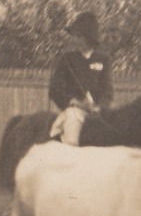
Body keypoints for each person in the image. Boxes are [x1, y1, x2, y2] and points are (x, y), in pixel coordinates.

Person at [48, 12, 113, 145]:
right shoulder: (67, 59)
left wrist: (100, 107)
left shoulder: (103, 60)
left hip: (97, 113)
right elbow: (55, 89)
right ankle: (71, 159)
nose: (76, 39)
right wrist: (75, 102)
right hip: (75, 110)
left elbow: (107, 91)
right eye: (75, 36)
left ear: (90, 38)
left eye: (80, 36)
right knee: (72, 122)